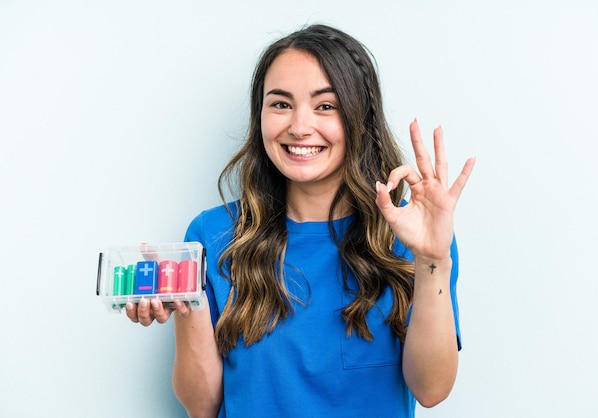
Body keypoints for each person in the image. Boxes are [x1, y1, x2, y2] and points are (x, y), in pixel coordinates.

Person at [126, 23, 475, 418]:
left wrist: (433, 262)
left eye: (325, 106)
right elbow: (202, 406)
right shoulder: (213, 235)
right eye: (280, 104)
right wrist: (188, 304)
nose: (298, 126)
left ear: (361, 117)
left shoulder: (413, 234)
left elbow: (431, 390)